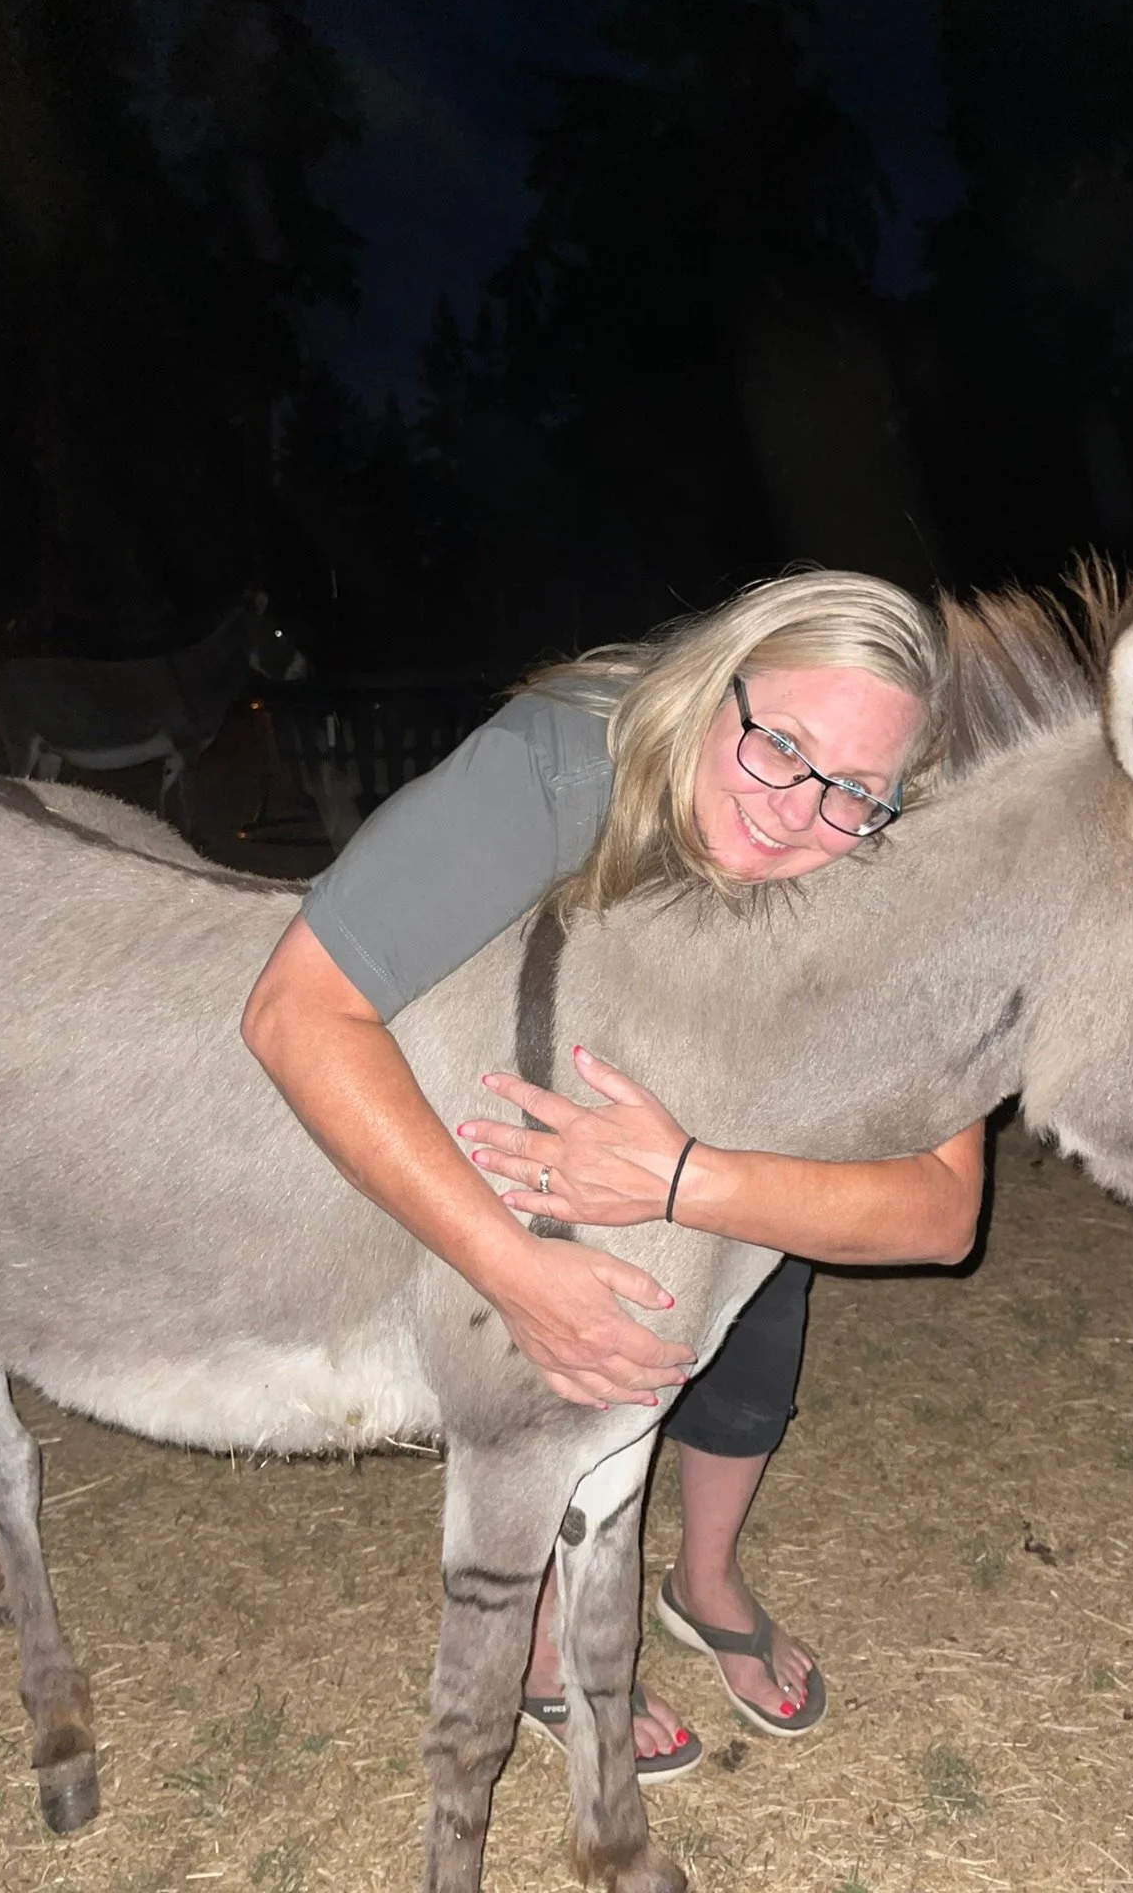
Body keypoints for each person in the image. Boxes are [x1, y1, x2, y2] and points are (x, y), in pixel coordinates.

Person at [241, 570, 984, 1783]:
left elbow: (944, 1205)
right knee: (568, 1276)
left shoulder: (874, 849)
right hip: (504, 1053)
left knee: (772, 1215)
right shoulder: (559, 762)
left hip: (688, 1102)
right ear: (716, 682)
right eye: (778, 744)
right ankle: (540, 1631)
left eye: (855, 789)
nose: (798, 810)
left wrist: (692, 1177)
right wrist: (512, 1267)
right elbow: (291, 1009)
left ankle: (705, 1574)